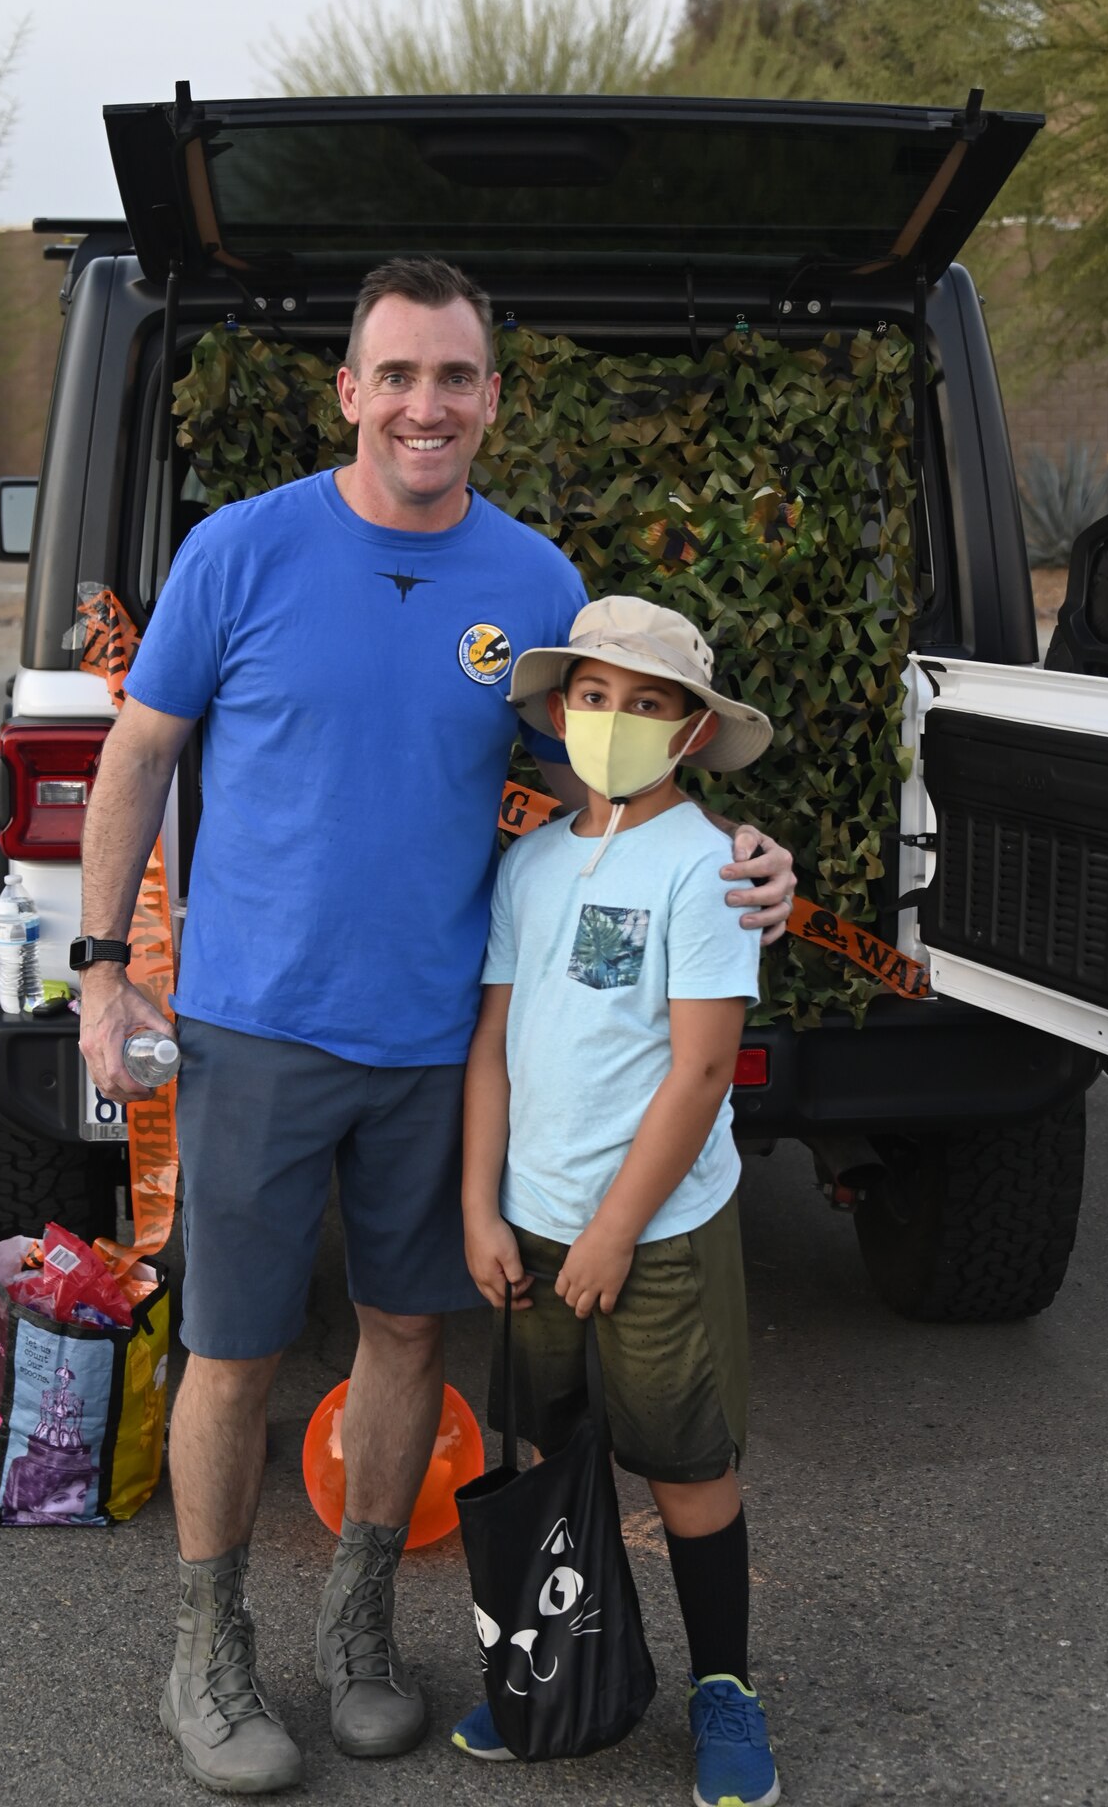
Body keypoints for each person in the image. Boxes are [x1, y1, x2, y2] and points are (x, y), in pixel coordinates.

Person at [76, 257, 796, 1796]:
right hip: (257, 1027)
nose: (424, 403)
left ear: (487, 396)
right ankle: (208, 1652)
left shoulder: (532, 587)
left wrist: (752, 860)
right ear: (349, 390)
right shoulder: (242, 549)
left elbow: (624, 773)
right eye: (395, 374)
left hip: (435, 1041)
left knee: (411, 1331)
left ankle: (355, 1636)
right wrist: (96, 966)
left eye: (453, 377)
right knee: (233, 1348)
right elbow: (138, 752)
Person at [452, 593, 780, 1807]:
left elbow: (698, 1067)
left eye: (648, 704)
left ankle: (724, 1688)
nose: (614, 719)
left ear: (691, 731)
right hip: (528, 1226)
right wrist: (483, 1208)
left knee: (685, 1466)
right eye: (594, 696)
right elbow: (489, 1042)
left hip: (651, 1233)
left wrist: (611, 1229)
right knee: (557, 1452)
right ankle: (568, 1663)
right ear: (557, 708)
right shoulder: (528, 862)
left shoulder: (706, 867)